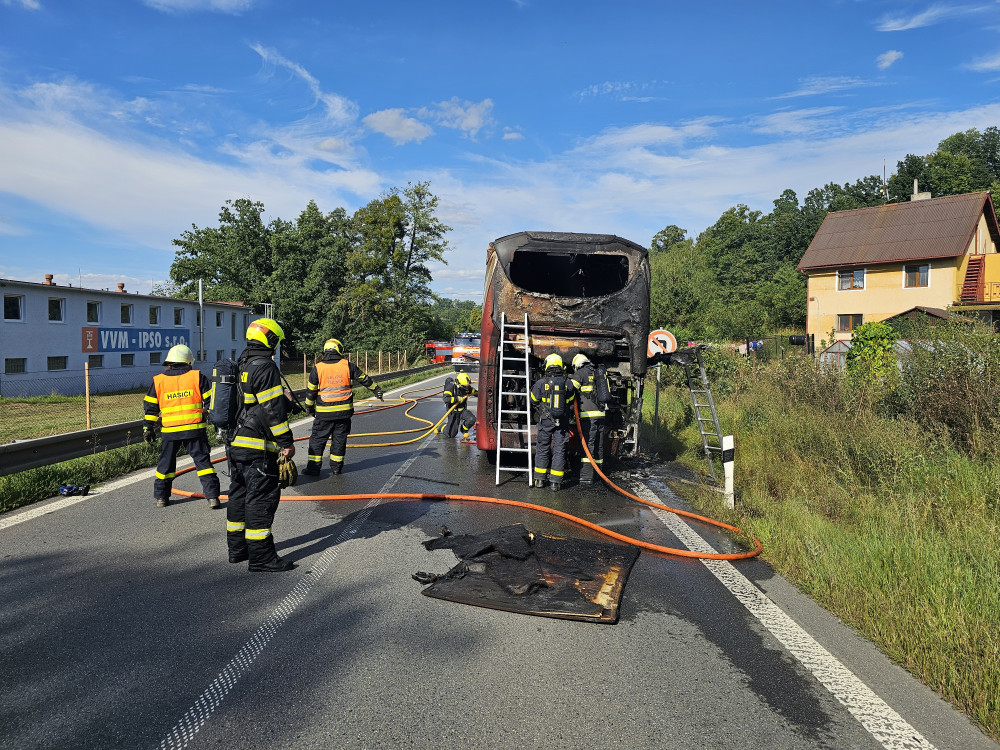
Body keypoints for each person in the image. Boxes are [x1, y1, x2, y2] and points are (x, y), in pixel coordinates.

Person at [226, 318, 297, 573]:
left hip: (236, 443)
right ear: (271, 340)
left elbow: (249, 404)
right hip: (257, 447)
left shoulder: (241, 363)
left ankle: (237, 550)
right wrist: (286, 442)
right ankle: (261, 557)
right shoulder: (265, 366)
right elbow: (271, 410)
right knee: (260, 500)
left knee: (239, 496)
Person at [143, 344, 221, 509]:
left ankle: (161, 498)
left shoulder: (159, 381)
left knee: (166, 465)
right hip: (194, 430)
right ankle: (212, 497)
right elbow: (211, 402)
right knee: (203, 463)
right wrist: (214, 420)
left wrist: (148, 427)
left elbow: (151, 407)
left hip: (170, 432)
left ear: (169, 362)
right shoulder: (197, 377)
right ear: (188, 362)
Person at [301, 338, 383, 476]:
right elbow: (364, 379)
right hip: (344, 414)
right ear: (339, 350)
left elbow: (311, 392)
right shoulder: (347, 365)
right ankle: (336, 468)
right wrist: (376, 390)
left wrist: (309, 407)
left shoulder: (318, 368)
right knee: (339, 441)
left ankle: (313, 469)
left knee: (317, 440)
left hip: (324, 414)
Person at [529, 353, 576, 492]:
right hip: (562, 421)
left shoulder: (541, 382)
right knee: (560, 450)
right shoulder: (567, 382)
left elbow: (533, 399)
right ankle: (555, 482)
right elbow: (571, 399)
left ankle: (539, 480)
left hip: (546, 421)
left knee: (543, 447)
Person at [569, 353, 606, 484]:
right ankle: (599, 474)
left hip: (588, 416)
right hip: (601, 415)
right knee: (598, 445)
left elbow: (570, 389)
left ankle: (586, 476)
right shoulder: (597, 372)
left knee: (587, 444)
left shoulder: (581, 373)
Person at [441, 372, 477, 439]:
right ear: (458, 383)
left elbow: (475, 392)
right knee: (451, 435)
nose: (467, 388)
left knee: (472, 419)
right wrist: (456, 399)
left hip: (462, 410)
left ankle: (463, 430)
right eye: (465, 387)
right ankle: (442, 427)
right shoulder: (451, 387)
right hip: (453, 412)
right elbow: (446, 399)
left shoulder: (466, 387)